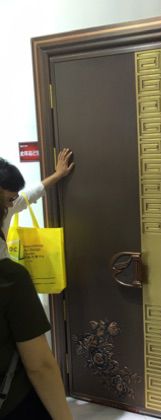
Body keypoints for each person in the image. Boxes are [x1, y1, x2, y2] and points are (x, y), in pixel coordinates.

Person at [0, 152, 73, 419]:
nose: (10, 206)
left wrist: (58, 175)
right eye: (8, 199)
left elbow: (30, 195)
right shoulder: (12, 277)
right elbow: (40, 365)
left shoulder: (9, 204)